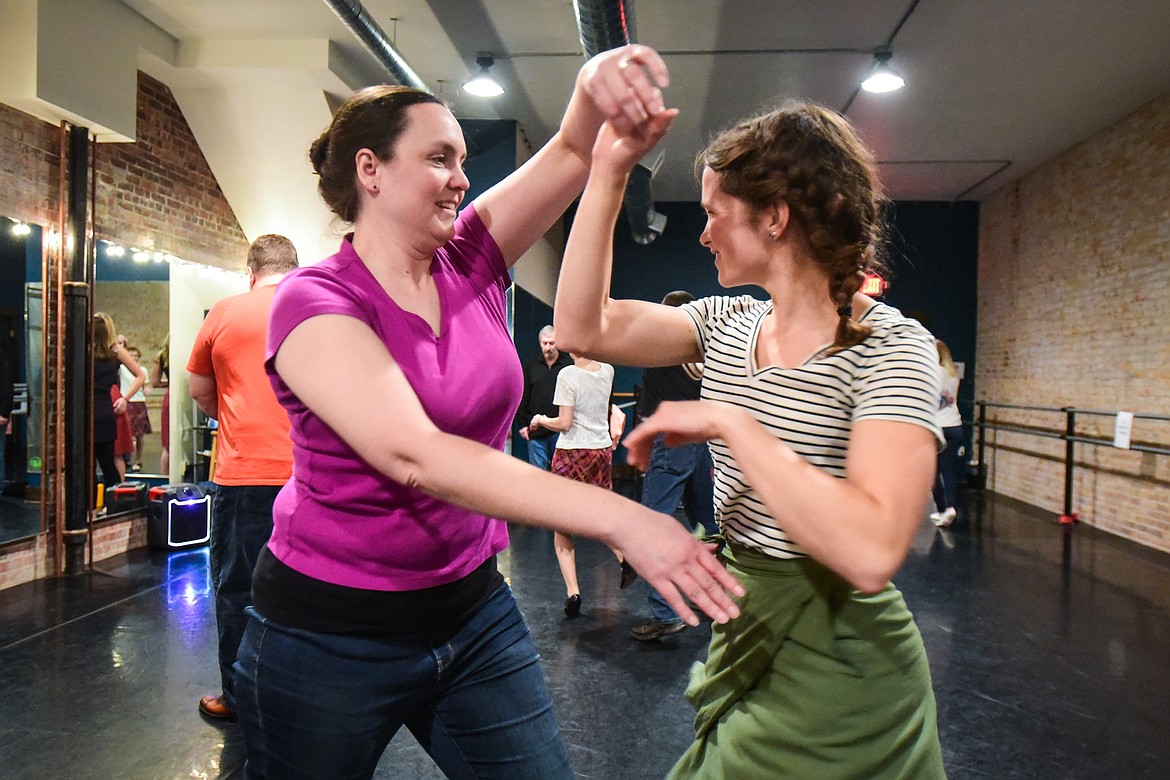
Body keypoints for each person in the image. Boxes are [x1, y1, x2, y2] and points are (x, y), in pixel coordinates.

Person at [233, 44, 742, 780]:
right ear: (370, 170)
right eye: (440, 158)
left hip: (470, 612)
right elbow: (416, 455)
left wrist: (596, 98)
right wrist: (623, 517)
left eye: (464, 159)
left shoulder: (467, 256)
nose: (462, 178)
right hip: (327, 633)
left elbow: (572, 147)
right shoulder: (314, 301)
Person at [554, 86, 946, 777]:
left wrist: (733, 422)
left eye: (714, 214)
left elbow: (870, 549)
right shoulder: (726, 325)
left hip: (844, 669)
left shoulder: (892, 346)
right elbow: (585, 326)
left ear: (774, 217)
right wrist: (608, 173)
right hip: (748, 628)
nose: (701, 233)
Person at [187, 234, 299, 722]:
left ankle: (238, 696)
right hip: (310, 477)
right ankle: (303, 693)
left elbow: (200, 392)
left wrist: (235, 413)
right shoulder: (316, 308)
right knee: (311, 588)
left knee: (237, 589)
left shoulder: (224, 312)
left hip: (243, 475)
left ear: (251, 272)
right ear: (294, 269)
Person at [629, 290, 720, 642]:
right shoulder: (703, 354)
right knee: (708, 524)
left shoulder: (658, 349)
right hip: (700, 444)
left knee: (654, 527)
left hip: (670, 441)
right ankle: (722, 593)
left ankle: (664, 614)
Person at [528, 354, 629, 617]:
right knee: (598, 515)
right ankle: (624, 557)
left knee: (562, 526)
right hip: (601, 452)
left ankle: (573, 592)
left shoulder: (568, 375)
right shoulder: (608, 369)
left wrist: (540, 419)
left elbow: (564, 423)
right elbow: (605, 408)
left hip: (572, 453)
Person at [92, 313, 145, 497]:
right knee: (108, 461)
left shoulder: (84, 350)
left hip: (88, 411)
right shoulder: (115, 351)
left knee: (88, 466)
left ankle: (91, 508)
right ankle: (115, 503)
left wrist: (124, 398)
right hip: (106, 410)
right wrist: (125, 398)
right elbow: (141, 375)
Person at [513, 325, 571, 470]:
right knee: (538, 476)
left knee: (561, 475)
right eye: (545, 343)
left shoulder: (568, 367)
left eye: (552, 343)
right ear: (540, 344)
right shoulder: (531, 366)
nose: (548, 347)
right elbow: (523, 395)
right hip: (536, 430)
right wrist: (522, 425)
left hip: (561, 431)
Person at [930, 339, 963, 528]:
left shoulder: (934, 372)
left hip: (938, 428)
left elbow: (933, 401)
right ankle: (949, 507)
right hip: (955, 425)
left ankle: (943, 508)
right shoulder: (953, 374)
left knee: (933, 472)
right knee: (948, 469)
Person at [119, 345, 152, 472]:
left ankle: (138, 460)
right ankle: (125, 459)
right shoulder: (122, 368)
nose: (133, 358)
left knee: (140, 435)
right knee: (126, 433)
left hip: (139, 402)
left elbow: (145, 385)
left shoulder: (143, 370)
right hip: (126, 402)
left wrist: (146, 390)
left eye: (135, 356)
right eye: (130, 355)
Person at [151, 337, 170, 475]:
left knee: (168, 446)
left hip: (170, 396)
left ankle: (165, 479)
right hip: (186, 394)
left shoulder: (162, 355)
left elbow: (155, 382)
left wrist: (170, 383)